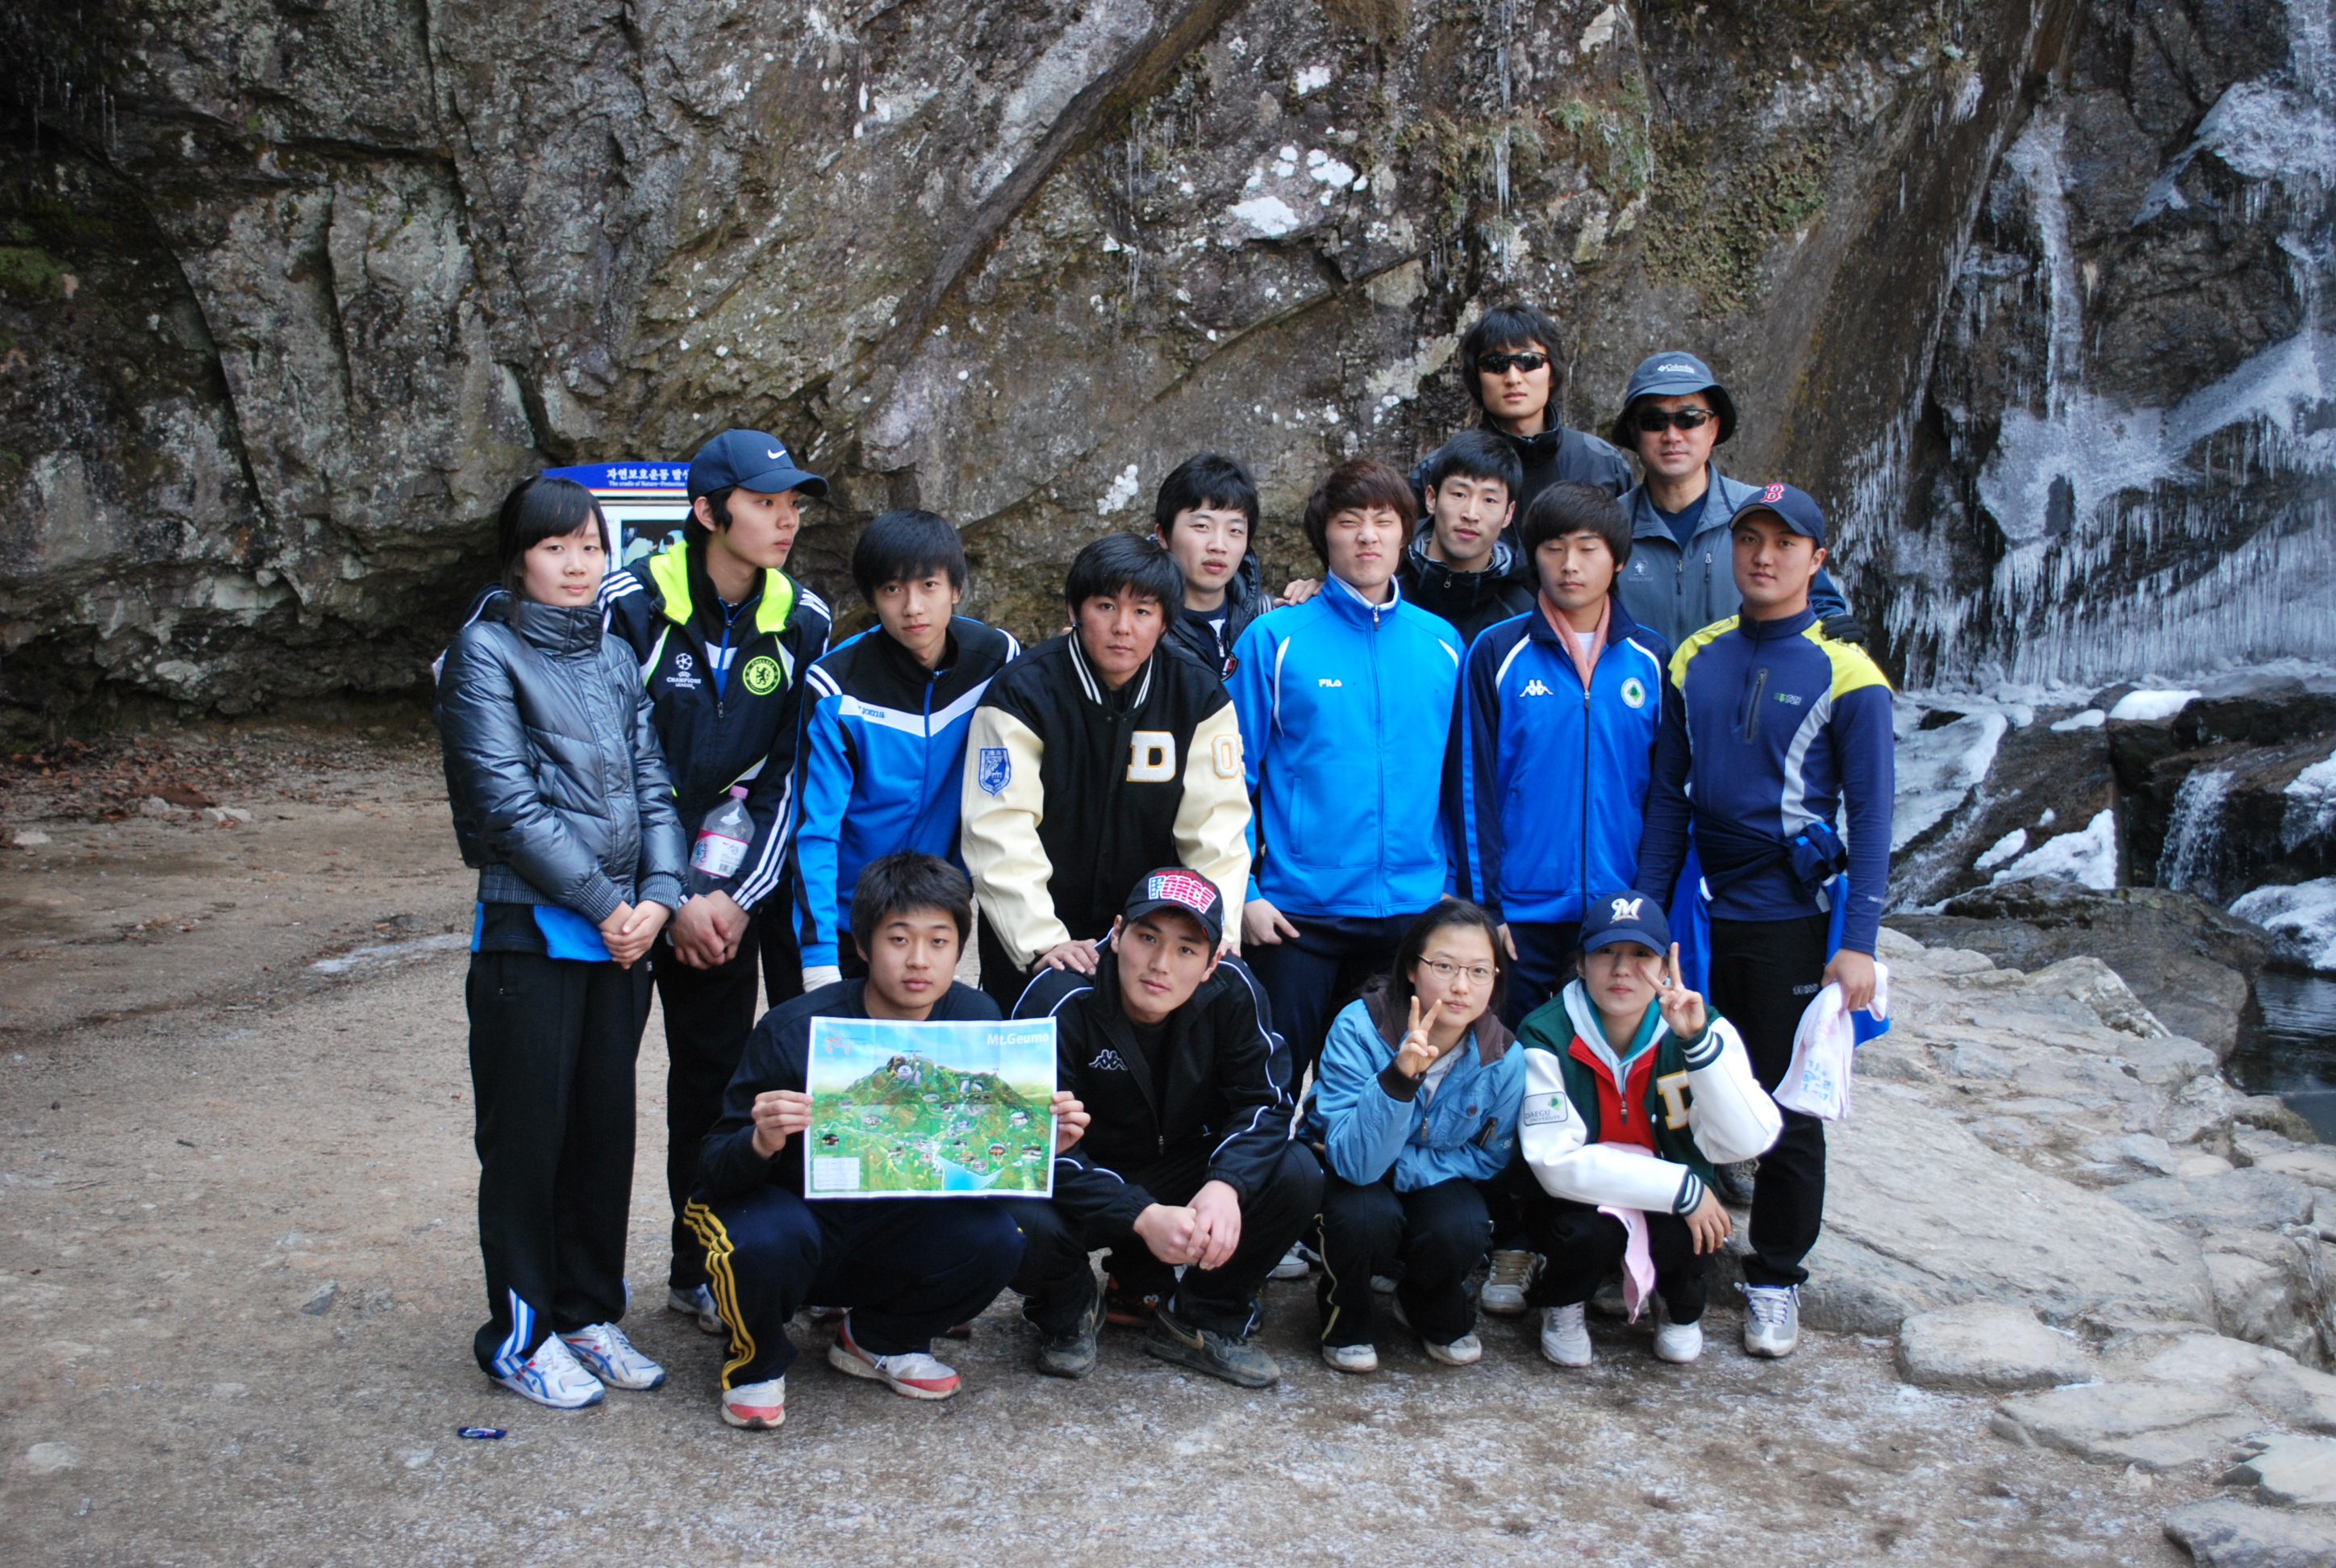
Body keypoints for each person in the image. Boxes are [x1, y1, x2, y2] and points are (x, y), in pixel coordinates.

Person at [436, 475, 687, 1409]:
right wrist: (605, 903)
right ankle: (521, 1334)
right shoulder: (484, 652)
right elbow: (505, 804)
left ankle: (587, 1313)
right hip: (532, 935)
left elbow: (653, 784)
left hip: (620, 943)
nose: (578, 564)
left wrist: (659, 896)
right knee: (527, 1143)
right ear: (519, 559)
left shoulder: (615, 654)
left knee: (599, 1138)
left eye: (590, 545)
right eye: (556, 547)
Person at [686, 853, 1080, 1430]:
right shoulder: (795, 1029)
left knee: (1002, 1235)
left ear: (959, 949)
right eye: (899, 939)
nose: (919, 959)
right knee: (764, 1239)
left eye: (939, 941)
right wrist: (760, 1140)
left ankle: (878, 1339)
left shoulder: (977, 1021)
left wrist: (1044, 1143)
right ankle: (756, 1362)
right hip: (799, 1222)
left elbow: (981, 1167)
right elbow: (711, 1171)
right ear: (864, 945)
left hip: (890, 1228)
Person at [1636, 483, 1894, 1358]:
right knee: (1680, 1088)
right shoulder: (1694, 658)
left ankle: (1775, 1277)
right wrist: (1647, 917)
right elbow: (1667, 798)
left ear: (1817, 560)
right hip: (1700, 911)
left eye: (1785, 543)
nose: (1764, 556)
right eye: (1750, 538)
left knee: (1789, 1105)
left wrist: (1857, 944)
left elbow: (1873, 817)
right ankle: (1674, 1265)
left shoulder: (1849, 673)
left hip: (1791, 916)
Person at [599, 428, 835, 1340]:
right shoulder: (630, 605)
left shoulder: (802, 619)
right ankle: (583, 1293)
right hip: (628, 895)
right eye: (764, 503)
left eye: (792, 504)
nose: (785, 520)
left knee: (712, 1086)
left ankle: (697, 1270)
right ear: (706, 512)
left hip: (728, 900)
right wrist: (667, 893)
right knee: (598, 1088)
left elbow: (791, 773)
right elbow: (610, 764)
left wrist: (732, 897)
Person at [1007, 868, 1320, 1387]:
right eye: (1147, 938)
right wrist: (1141, 1214)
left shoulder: (1234, 990)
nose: (1160, 965)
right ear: (1116, 933)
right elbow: (1022, 1140)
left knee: (1296, 1172)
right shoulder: (1060, 996)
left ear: (1213, 961)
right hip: (1083, 1176)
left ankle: (1202, 1318)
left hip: (1179, 1167)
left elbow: (1265, 1103)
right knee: (1011, 1211)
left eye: (1186, 949)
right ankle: (1067, 1306)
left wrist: (1225, 1185)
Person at [1227, 458, 1466, 1085]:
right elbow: (1228, 780)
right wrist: (1244, 895)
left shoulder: (1443, 644)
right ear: (1323, 535)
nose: (1367, 536)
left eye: (1383, 520)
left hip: (1411, 918)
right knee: (1269, 1089)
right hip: (1297, 918)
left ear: (1406, 531)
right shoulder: (1274, 639)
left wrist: (1452, 883)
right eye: (1349, 521)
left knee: (1382, 1095)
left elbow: (1458, 783)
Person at [960, 533, 1251, 1011]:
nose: (1123, 628)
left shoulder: (1197, 695)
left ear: (1165, 621)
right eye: (1105, 606)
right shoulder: (1022, 692)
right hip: (1041, 942)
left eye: (1143, 611)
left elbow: (1216, 830)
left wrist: (1211, 934)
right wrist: (1041, 941)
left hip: (1154, 941)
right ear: (1075, 610)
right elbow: (998, 828)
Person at [1516, 892, 1782, 1368]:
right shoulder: (1545, 1032)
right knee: (1582, 1233)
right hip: (1580, 1198)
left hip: (1670, 1194)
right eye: (1606, 952)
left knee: (1693, 1226)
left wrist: (1697, 1044)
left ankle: (1679, 1307)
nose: (1622, 970)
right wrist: (1681, 1188)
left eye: (1641, 954)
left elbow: (1748, 1141)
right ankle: (1562, 1302)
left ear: (1666, 966)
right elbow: (1553, 1161)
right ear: (1581, 964)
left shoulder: (1702, 1025)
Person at [1457, 483, 1675, 1025]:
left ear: (1618, 560)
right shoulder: (1497, 652)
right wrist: (1486, 908)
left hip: (1618, 912)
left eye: (1587, 548)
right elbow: (1471, 786)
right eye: (1553, 548)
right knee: (1510, 1057)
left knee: (1605, 1058)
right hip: (1519, 913)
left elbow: (1666, 794)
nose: (1569, 564)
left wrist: (1647, 903)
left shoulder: (1651, 659)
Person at [792, 509, 1020, 990]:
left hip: (938, 914)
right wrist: (819, 956)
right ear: (873, 598)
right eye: (893, 589)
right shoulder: (835, 687)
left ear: (956, 588)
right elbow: (815, 830)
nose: (913, 607)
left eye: (929, 586)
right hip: (849, 918)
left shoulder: (996, 659)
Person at [1308, 899, 1525, 1373]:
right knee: (1364, 1216)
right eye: (1444, 966)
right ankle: (1348, 1313)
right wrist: (1400, 1079)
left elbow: (1488, 1159)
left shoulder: (1504, 1056)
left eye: (1479, 971)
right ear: (1411, 968)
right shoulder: (1360, 1027)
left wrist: (1403, 1170)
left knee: (1462, 1224)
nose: (1461, 986)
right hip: (1355, 1174)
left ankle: (1425, 1301)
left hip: (1430, 1178)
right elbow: (1354, 1163)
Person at [1606, 351, 1851, 651]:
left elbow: (1819, 603)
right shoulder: (1606, 526)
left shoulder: (1763, 513)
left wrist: (1835, 621)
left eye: (1689, 419)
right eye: (1653, 422)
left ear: (1713, 428)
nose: (1672, 435)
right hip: (1640, 682)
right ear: (1634, 431)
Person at [1414, 303, 1633, 517]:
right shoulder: (1438, 469)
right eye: (1495, 363)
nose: (1513, 378)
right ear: (1477, 379)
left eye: (1529, 361)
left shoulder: (1601, 464)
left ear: (1552, 373)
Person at [1394, 430, 1537, 645]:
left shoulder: (1521, 618)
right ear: (1431, 499)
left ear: (1509, 514)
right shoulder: (1385, 587)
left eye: (1489, 500)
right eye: (1459, 494)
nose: (1471, 514)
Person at [1153, 452, 1270, 678]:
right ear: (1163, 535)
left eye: (1235, 530)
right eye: (1202, 526)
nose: (1218, 546)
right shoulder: (1139, 626)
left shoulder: (1269, 616)